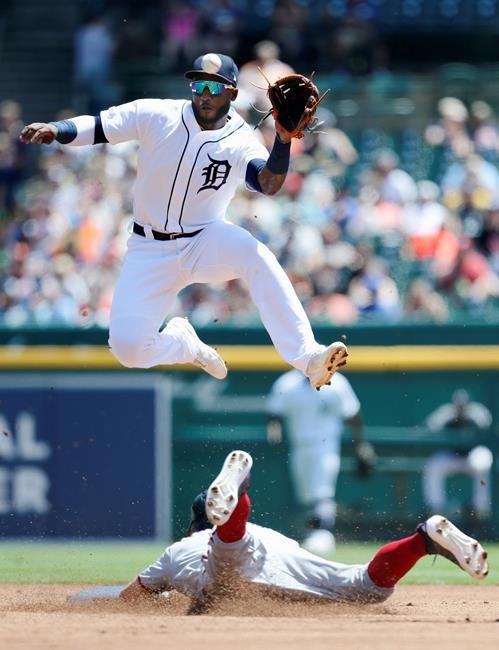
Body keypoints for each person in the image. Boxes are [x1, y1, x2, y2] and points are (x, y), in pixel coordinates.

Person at [20, 52, 347, 390]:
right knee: (128, 349)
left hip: (204, 239)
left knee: (257, 256)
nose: (204, 93)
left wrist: (281, 141)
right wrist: (57, 129)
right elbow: (101, 126)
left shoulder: (240, 139)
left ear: (233, 93)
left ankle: (308, 358)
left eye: (214, 87)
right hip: (148, 248)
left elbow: (268, 183)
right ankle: (183, 344)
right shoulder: (158, 114)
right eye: (198, 84)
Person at [116, 450, 488, 607]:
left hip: (227, 557)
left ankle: (238, 490)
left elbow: (131, 598)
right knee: (367, 587)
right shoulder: (265, 532)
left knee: (228, 550)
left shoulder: (176, 552)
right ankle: (423, 539)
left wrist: (165, 596)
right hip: (272, 546)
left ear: (194, 522)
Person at [266, 370, 376, 555]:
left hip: (326, 445)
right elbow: (274, 412)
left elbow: (352, 413)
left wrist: (361, 444)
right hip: (299, 445)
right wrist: (273, 428)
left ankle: (323, 533)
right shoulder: (287, 383)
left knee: (322, 491)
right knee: (306, 496)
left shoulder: (337, 382)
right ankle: (313, 532)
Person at [422, 389, 494, 520]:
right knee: (433, 465)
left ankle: (481, 508)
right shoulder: (446, 413)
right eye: (458, 406)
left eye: (463, 405)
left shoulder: (477, 412)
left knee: (484, 463)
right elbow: (430, 427)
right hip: (451, 456)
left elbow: (488, 427)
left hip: (472, 455)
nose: (461, 408)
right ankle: (436, 507)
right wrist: (449, 421)